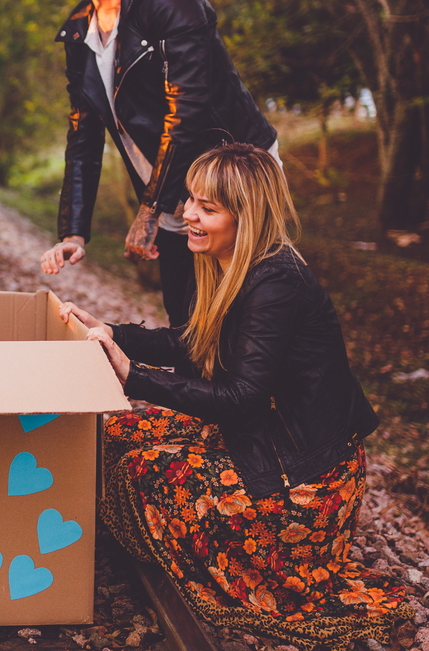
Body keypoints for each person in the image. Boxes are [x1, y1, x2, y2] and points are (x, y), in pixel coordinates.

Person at [58, 144, 411, 649]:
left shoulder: (276, 283)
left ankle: (227, 556)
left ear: (247, 216)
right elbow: (193, 340)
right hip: (268, 437)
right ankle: (139, 539)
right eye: (190, 199)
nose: (188, 214)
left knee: (149, 467)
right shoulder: (235, 265)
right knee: (115, 430)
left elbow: (241, 396)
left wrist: (131, 375)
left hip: (301, 476)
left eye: (208, 207)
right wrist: (115, 331)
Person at [40, 0, 279, 327]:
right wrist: (73, 230)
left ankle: (284, 396)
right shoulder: (79, 30)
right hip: (173, 187)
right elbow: (84, 135)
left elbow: (185, 110)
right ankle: (194, 396)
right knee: (186, 312)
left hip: (237, 173)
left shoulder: (169, 2)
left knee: (253, 314)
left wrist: (149, 211)